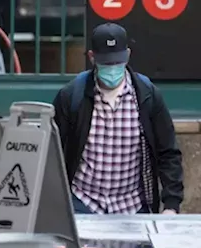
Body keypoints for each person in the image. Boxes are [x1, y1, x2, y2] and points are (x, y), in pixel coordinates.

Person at [52, 23, 184, 214]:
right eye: (106, 63)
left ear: (128, 55)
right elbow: (52, 153)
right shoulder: (72, 96)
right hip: (83, 203)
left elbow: (168, 152)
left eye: (117, 62)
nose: (113, 69)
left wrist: (171, 205)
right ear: (92, 57)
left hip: (132, 206)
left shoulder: (147, 96)